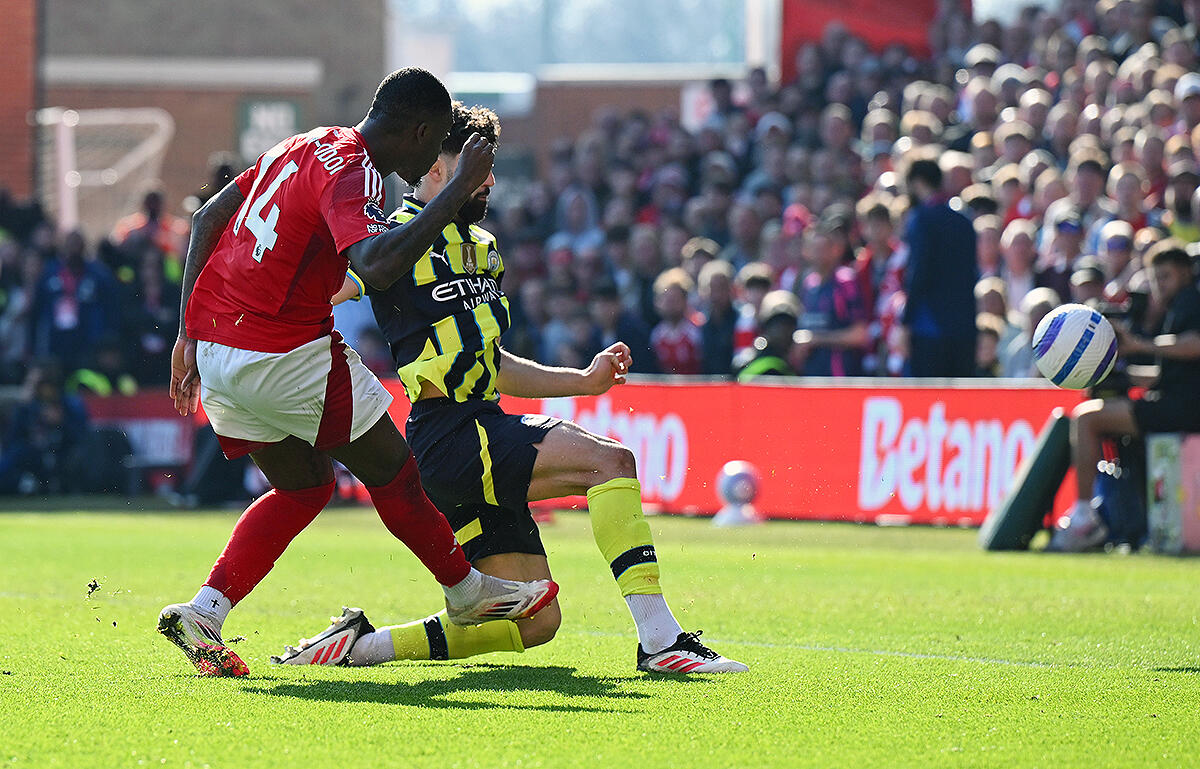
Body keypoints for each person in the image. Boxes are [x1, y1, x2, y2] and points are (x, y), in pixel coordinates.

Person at [277, 102, 745, 674]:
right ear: (434, 167)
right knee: (611, 462)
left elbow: (491, 363)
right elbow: (312, 294)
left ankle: (360, 646)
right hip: (450, 434)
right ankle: (660, 642)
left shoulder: (483, 249)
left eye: (491, 163)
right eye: (476, 160)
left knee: (536, 624)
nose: (490, 176)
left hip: (479, 426)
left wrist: (583, 381)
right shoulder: (391, 241)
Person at [157, 69, 557, 678]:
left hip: (216, 350)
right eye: (434, 147)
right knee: (395, 473)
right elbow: (373, 262)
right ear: (419, 131)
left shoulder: (303, 144)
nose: (428, 168)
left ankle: (205, 610)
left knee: (304, 487)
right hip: (282, 350)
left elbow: (210, 214)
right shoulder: (354, 166)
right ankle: (467, 592)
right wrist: (455, 193)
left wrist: (186, 330)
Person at [1052, 240, 1200, 551]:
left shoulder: (1191, 301)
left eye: (1166, 276)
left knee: (1086, 419)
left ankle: (1084, 518)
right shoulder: (1178, 308)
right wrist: (1123, 371)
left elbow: (1194, 345)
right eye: (1156, 277)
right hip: (1177, 401)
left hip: (1182, 408)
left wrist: (1140, 345)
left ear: (1186, 273)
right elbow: (1175, 373)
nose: (1160, 285)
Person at [900, 156, 979, 377]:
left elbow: (918, 272)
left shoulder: (921, 219)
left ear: (916, 182)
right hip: (964, 329)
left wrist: (905, 321)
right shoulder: (964, 221)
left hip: (929, 329)